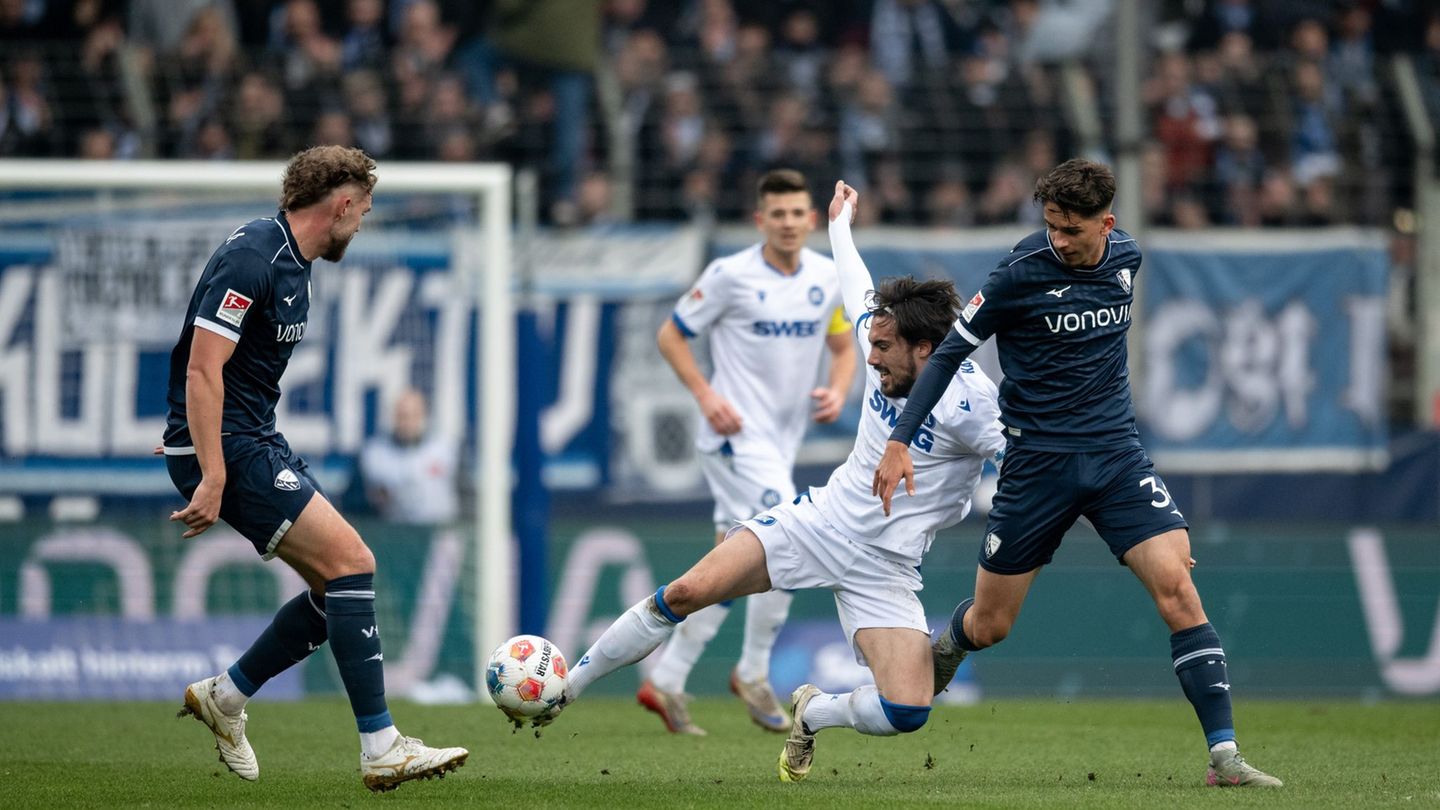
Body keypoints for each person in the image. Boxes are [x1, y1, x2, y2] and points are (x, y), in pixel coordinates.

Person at [546, 181, 1005, 784]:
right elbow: (853, 281)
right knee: (685, 593)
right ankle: (563, 689)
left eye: (883, 349)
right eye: (869, 343)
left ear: (926, 349)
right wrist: (839, 225)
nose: (869, 359)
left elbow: (1026, 461)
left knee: (907, 711)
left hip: (886, 568)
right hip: (817, 523)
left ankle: (815, 709)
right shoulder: (884, 337)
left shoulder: (972, 402)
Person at [871, 158, 1283, 788]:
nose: (1058, 240)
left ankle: (1223, 756)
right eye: (1051, 226)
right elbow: (951, 351)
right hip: (1037, 465)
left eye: (1071, 230)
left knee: (1177, 585)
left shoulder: (1128, 259)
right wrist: (899, 442)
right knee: (992, 625)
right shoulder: (1016, 273)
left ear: (1106, 225)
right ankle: (950, 643)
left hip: (1116, 455)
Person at [161, 145, 467, 792]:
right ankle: (381, 746)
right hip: (232, 448)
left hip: (249, 438)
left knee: (337, 589)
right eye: (365, 211)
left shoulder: (292, 263)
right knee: (354, 561)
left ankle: (228, 695)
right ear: (343, 204)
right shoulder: (255, 258)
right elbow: (201, 367)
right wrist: (207, 465)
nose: (363, 224)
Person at [642, 168, 858, 735]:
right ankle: (755, 671)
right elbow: (671, 334)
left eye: (797, 214)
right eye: (777, 214)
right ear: (760, 220)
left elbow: (842, 347)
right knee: (789, 542)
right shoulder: (729, 275)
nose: (788, 224)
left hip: (777, 445)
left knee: (725, 570)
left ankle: (667, 679)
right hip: (734, 438)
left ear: (812, 220)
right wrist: (706, 395)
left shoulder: (827, 277)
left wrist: (838, 388)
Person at [359, 387, 461, 525]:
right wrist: (374, 501)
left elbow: (465, 494)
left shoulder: (445, 450)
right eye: (402, 416)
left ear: (423, 415)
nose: (407, 422)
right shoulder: (375, 454)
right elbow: (355, 502)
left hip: (438, 531)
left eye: (413, 415)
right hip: (393, 533)